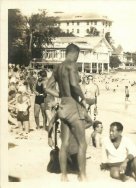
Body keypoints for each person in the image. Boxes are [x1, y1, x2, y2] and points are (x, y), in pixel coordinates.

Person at [46, 43, 91, 181]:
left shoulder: (58, 67)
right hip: (73, 106)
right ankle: (82, 175)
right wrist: (83, 99)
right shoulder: (71, 64)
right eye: (78, 55)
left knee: (64, 143)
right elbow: (74, 84)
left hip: (63, 106)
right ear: (75, 53)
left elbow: (47, 87)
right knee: (82, 143)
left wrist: (60, 95)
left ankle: (64, 176)